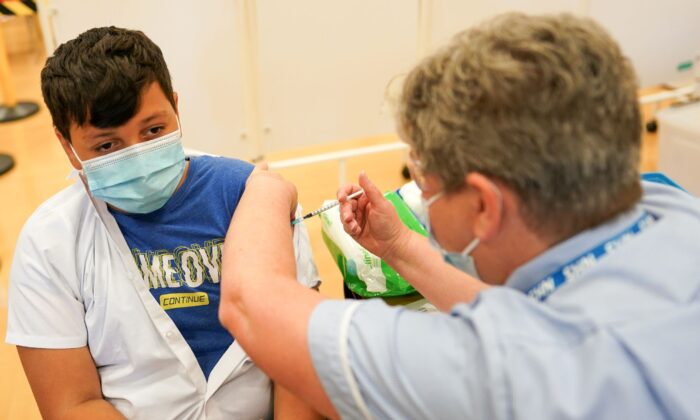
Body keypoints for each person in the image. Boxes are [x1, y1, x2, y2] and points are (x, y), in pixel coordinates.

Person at [218, 12, 700, 419]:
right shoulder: (665, 203)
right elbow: (526, 316)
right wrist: (403, 248)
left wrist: (261, 188)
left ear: (485, 206)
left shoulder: (508, 373)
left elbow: (249, 305)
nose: (420, 202)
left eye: (425, 187)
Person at [5, 27, 323, 419]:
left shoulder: (252, 197)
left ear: (175, 106)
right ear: (67, 146)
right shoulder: (49, 244)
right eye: (107, 146)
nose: (137, 156)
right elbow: (72, 404)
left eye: (154, 130)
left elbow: (300, 360)